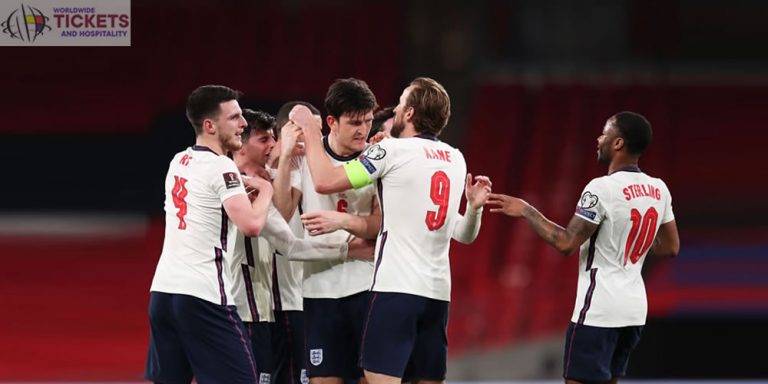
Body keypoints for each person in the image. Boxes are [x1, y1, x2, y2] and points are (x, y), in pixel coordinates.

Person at [289, 77, 492, 384]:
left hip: (396, 289)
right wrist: (474, 207)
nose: (394, 109)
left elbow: (325, 181)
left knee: (376, 377)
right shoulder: (455, 158)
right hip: (438, 294)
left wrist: (310, 129)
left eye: (400, 102)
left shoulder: (390, 152)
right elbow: (464, 234)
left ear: (409, 113)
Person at [486, 111, 680, 384]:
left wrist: (527, 211)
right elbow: (671, 247)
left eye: (605, 133)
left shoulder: (601, 188)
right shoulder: (659, 189)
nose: (599, 138)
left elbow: (566, 243)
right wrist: (629, 240)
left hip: (599, 309)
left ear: (618, 143)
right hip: (633, 310)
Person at [145, 85, 273, 384]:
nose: (243, 123)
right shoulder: (222, 167)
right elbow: (252, 224)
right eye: (235, 117)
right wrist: (265, 190)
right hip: (203, 296)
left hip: (163, 292)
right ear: (210, 125)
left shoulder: (179, 160)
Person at [274, 78, 381, 384]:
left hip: (367, 285)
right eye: (355, 123)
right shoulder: (304, 155)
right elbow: (282, 213)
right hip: (319, 289)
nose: (364, 130)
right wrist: (284, 158)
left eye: (369, 121)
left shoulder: (376, 158)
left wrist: (341, 221)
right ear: (332, 122)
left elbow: (379, 224)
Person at [268, 101, 318, 384]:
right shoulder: (264, 170)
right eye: (307, 130)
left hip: (309, 296)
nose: (316, 139)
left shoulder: (312, 167)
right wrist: (285, 155)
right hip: (279, 299)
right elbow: (284, 212)